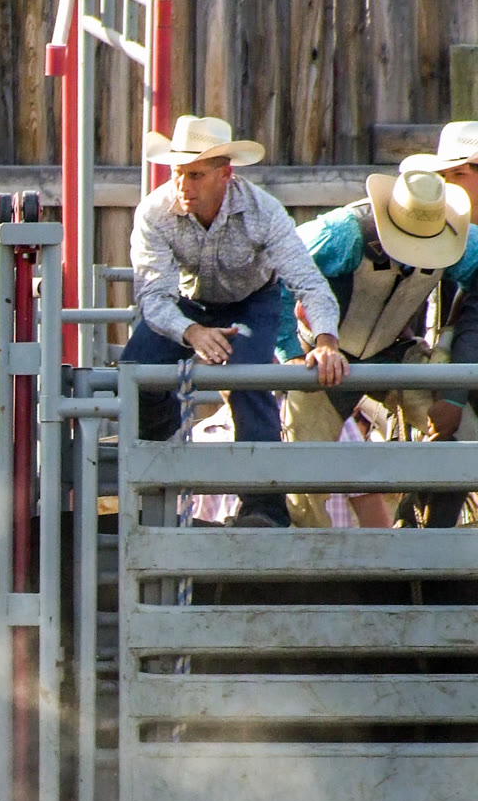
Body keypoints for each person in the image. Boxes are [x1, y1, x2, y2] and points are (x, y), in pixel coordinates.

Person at [122, 115, 348, 528]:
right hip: (187, 305)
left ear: (225, 174)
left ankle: (263, 508)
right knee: (136, 369)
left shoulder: (264, 211)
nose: (183, 185)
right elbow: (153, 296)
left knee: (248, 377)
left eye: (195, 175)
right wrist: (192, 331)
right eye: (177, 173)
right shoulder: (154, 212)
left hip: (251, 303)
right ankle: (156, 471)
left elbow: (308, 282)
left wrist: (326, 340)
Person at [278, 166, 475, 527]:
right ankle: (309, 557)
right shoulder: (343, 233)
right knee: (301, 475)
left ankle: (431, 535)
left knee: (468, 434)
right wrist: (289, 351)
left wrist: (454, 397)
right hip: (321, 359)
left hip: (394, 351)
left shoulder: (462, 241)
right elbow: (278, 271)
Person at [410, 124, 478, 450]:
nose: (449, 186)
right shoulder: (435, 230)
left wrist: (453, 396)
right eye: (443, 176)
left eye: (458, 174)